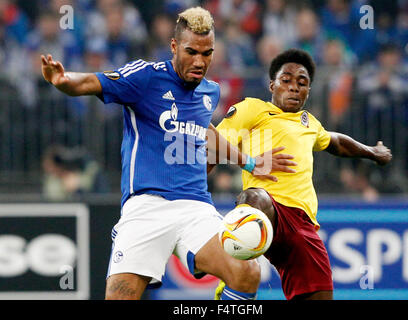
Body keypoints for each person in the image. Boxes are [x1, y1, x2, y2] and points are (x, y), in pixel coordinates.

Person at [40, 7, 295, 300]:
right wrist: (63, 80)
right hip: (146, 206)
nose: (200, 61)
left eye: (207, 53)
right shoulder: (145, 77)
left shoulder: (209, 91)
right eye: (192, 52)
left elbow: (204, 130)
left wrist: (250, 162)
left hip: (195, 207)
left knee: (247, 272)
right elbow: (90, 82)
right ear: (174, 47)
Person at [214, 48, 392, 300]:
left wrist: (372, 152)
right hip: (270, 209)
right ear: (271, 85)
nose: (294, 87)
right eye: (286, 80)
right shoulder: (252, 109)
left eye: (302, 83)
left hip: (304, 225)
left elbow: (336, 142)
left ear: (308, 91)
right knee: (254, 200)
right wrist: (252, 163)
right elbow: (214, 143)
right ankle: (235, 281)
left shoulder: (309, 122)